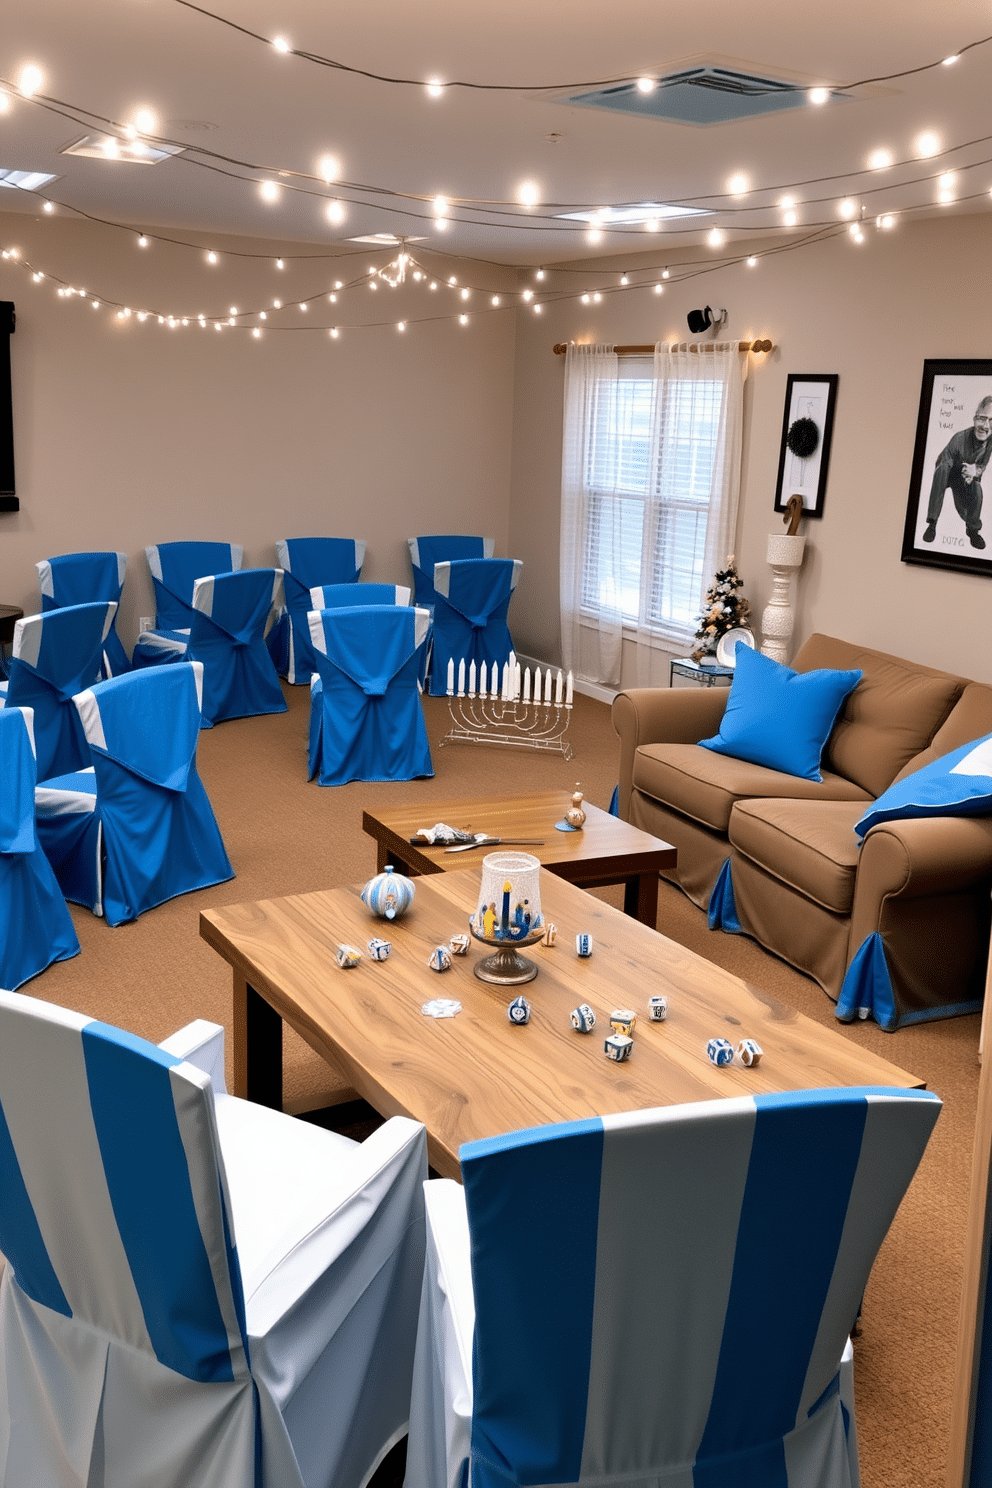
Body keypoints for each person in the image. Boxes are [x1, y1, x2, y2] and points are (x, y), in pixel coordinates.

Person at [923, 396, 992, 550]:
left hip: (964, 474)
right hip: (948, 469)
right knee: (941, 473)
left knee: (977, 490)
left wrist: (975, 472)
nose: (985, 425)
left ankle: (973, 530)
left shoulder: (990, 440)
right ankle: (932, 523)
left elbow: (983, 465)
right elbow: (943, 463)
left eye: (991, 421)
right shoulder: (959, 439)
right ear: (975, 419)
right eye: (982, 418)